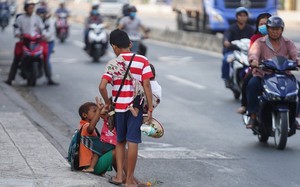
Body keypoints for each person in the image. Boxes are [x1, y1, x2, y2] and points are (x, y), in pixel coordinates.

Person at [99, 29, 153, 186]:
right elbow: (147, 84)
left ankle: (119, 177)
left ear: (114, 46)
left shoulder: (113, 63)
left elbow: (102, 86)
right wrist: (149, 109)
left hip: (119, 109)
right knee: (133, 142)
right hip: (136, 110)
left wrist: (108, 103)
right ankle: (130, 179)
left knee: (120, 142)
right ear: (129, 44)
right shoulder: (142, 60)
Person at [245, 16, 299, 129]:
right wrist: (254, 60)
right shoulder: (260, 42)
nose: (275, 32)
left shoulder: (288, 43)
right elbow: (253, 53)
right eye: (272, 29)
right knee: (252, 85)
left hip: (285, 75)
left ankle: (295, 117)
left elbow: (295, 54)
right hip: (263, 75)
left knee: (298, 88)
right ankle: (253, 115)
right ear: (268, 29)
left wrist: (298, 61)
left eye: (278, 29)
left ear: (282, 30)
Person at [4, 0, 51, 85]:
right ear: (26, 8)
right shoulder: (20, 18)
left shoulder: (37, 18)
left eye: (33, 7)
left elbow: (42, 28)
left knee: (45, 56)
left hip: (36, 41)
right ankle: (10, 79)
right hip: (25, 41)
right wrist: (18, 34)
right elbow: (16, 29)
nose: (31, 9)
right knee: (17, 57)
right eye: (30, 7)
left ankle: (49, 78)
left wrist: (44, 35)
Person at [236, 12, 272, 114]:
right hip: (259, 68)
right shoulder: (255, 39)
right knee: (248, 82)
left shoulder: (280, 40)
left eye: (266, 24)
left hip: (276, 69)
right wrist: (254, 61)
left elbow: (291, 52)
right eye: (261, 24)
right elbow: (252, 53)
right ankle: (246, 106)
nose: (264, 26)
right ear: (257, 25)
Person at [221, 7, 254, 88]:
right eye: (240, 15)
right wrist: (226, 42)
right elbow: (226, 38)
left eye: (244, 15)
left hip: (246, 52)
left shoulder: (250, 29)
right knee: (226, 60)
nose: (242, 18)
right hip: (233, 51)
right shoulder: (231, 28)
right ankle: (227, 79)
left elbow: (255, 38)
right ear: (236, 17)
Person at [36, 7, 59, 85]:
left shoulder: (50, 22)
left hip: (48, 43)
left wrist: (43, 37)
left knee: (46, 60)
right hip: (37, 42)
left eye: (43, 13)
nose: (42, 15)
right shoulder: (36, 21)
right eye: (40, 14)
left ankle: (49, 78)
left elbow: (50, 33)